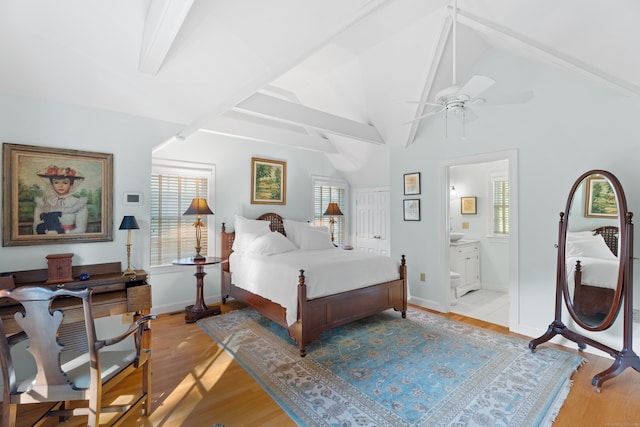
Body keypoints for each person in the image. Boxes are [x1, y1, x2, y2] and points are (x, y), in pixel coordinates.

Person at [33, 166, 88, 234]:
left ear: (71, 185)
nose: (60, 186)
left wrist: (63, 233)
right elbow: (36, 227)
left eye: (65, 183)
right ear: (52, 185)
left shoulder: (78, 203)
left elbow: (81, 229)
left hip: (68, 240)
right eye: (56, 182)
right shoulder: (44, 202)